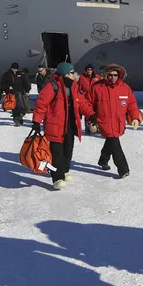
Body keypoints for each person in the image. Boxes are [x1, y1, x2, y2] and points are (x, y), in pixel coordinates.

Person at [32, 62, 95, 190]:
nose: (74, 74)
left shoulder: (74, 86)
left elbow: (82, 103)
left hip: (70, 124)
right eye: (72, 73)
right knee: (57, 153)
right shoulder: (52, 86)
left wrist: (91, 115)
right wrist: (36, 122)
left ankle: (65, 170)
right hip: (55, 125)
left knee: (68, 150)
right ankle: (57, 178)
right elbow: (41, 104)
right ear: (65, 74)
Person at [90, 63, 143, 178]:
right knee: (114, 143)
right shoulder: (97, 87)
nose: (113, 77)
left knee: (111, 141)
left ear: (119, 76)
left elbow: (132, 104)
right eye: (110, 75)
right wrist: (91, 120)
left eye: (115, 75)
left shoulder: (125, 88)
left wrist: (135, 117)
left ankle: (103, 160)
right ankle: (123, 169)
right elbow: (88, 104)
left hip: (119, 121)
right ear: (106, 75)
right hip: (104, 121)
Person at [0, 62, 32, 127]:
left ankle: (19, 118)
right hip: (11, 94)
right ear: (11, 68)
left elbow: (26, 82)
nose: (15, 70)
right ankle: (17, 121)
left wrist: (27, 90)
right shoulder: (6, 74)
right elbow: (2, 83)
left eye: (16, 69)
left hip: (20, 93)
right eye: (14, 68)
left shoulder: (20, 74)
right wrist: (8, 87)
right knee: (14, 108)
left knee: (23, 108)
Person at [77, 64, 100, 134]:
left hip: (95, 97)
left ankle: (97, 127)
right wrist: (80, 94)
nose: (89, 71)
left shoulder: (97, 77)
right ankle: (88, 128)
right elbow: (79, 87)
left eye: (91, 69)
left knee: (96, 112)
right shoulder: (82, 77)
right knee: (87, 112)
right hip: (86, 98)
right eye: (88, 69)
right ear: (86, 70)